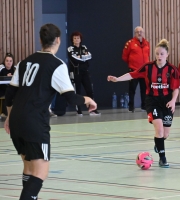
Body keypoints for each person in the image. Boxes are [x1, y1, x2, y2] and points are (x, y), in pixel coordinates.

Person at [4, 23, 97, 199]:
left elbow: (9, 96)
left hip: (16, 120)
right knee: (40, 173)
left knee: (29, 167)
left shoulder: (24, 62)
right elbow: (70, 98)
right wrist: (88, 99)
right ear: (58, 41)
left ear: (40, 40)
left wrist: (9, 117)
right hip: (35, 123)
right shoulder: (57, 65)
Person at [108, 39, 180, 167]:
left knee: (165, 134)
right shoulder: (148, 67)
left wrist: (173, 101)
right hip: (152, 101)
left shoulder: (172, 70)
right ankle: (163, 159)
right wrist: (117, 79)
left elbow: (175, 88)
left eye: (162, 54)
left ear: (167, 54)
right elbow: (133, 74)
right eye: (157, 54)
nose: (159, 56)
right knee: (159, 130)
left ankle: (158, 143)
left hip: (167, 102)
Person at [68, 31, 100, 115]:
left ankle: (92, 109)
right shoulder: (70, 48)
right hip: (76, 73)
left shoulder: (84, 47)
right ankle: (78, 110)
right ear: (72, 39)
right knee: (77, 91)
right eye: (74, 38)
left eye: (78, 38)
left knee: (90, 90)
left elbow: (89, 56)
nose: (76, 39)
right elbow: (74, 58)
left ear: (80, 39)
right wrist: (83, 58)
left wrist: (81, 57)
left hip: (85, 72)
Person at [122, 26, 150, 112]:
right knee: (132, 89)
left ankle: (144, 106)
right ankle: (131, 107)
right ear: (135, 33)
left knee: (144, 89)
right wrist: (132, 64)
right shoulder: (130, 43)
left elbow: (148, 55)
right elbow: (124, 57)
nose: (139, 33)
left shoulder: (147, 43)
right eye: (137, 32)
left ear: (143, 33)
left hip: (144, 70)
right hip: (133, 70)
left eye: (141, 31)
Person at [0, 53, 15, 117]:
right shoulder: (1, 69)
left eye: (10, 61)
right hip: (2, 90)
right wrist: (6, 77)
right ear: (4, 61)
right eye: (7, 61)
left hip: (11, 90)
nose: (9, 63)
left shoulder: (15, 70)